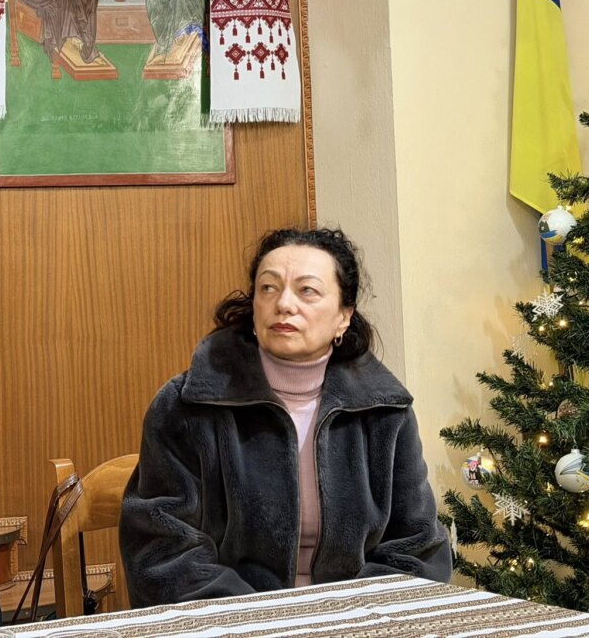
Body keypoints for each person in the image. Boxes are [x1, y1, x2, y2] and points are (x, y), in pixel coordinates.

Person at [120, 227, 450, 607]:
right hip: (235, 621)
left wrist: (343, 616)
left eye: (307, 290)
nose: (284, 304)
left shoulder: (386, 411)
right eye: (268, 288)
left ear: (344, 316)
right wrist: (264, 620)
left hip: (355, 620)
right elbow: (162, 549)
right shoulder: (186, 406)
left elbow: (417, 549)